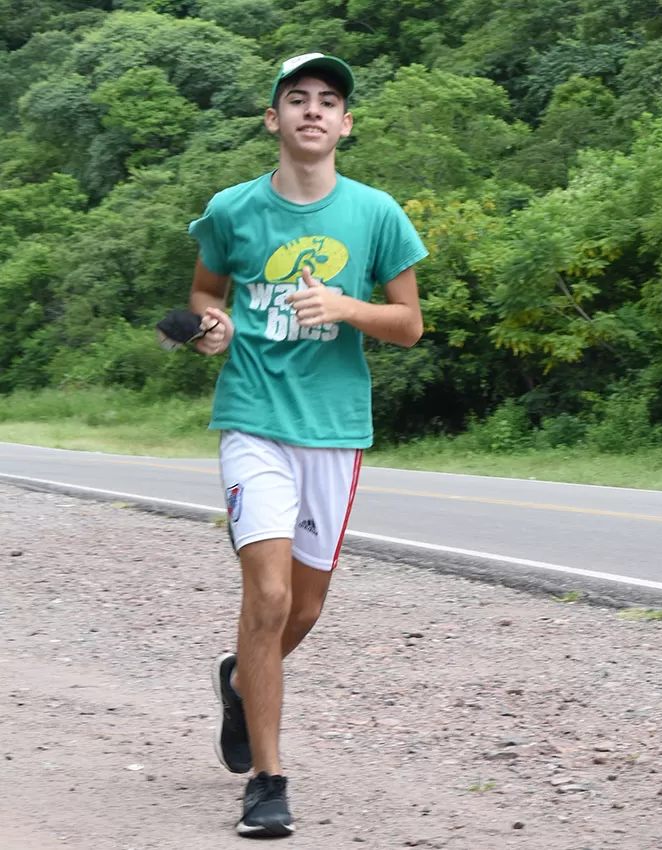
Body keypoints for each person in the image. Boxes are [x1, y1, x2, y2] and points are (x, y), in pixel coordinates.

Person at [186, 52, 429, 838]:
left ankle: (239, 682)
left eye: (329, 101)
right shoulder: (232, 210)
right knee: (269, 596)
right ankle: (268, 779)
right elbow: (203, 292)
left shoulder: (377, 214)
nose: (314, 111)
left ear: (346, 123)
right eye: (298, 99)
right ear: (274, 119)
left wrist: (347, 307)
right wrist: (209, 330)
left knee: (307, 607)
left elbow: (409, 325)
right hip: (253, 419)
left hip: (334, 430)